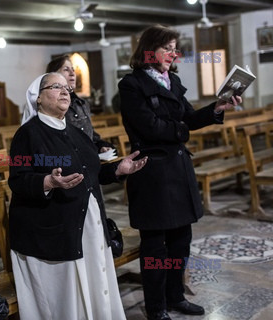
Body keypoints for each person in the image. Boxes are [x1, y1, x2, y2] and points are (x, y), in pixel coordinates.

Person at [118, 25, 242, 320]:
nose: (174, 54)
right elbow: (150, 127)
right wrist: (182, 131)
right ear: (149, 50)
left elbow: (189, 116)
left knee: (180, 240)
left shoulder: (171, 80)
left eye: (175, 48)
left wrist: (217, 107)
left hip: (177, 170)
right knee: (155, 245)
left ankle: (175, 297)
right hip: (151, 174)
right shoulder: (131, 85)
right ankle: (156, 307)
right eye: (168, 48)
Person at [8, 72, 148, 320]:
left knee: (94, 286)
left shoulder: (76, 133)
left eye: (67, 88)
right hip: (54, 231)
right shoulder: (27, 134)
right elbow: (18, 180)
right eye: (55, 87)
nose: (65, 92)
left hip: (88, 226)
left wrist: (117, 169)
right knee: (69, 298)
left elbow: (89, 173)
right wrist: (48, 181)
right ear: (38, 98)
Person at [36, 54, 114, 153]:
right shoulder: (51, 107)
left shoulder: (83, 104)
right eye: (66, 69)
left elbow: (91, 136)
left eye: (73, 69)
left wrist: (101, 146)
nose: (72, 73)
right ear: (53, 75)